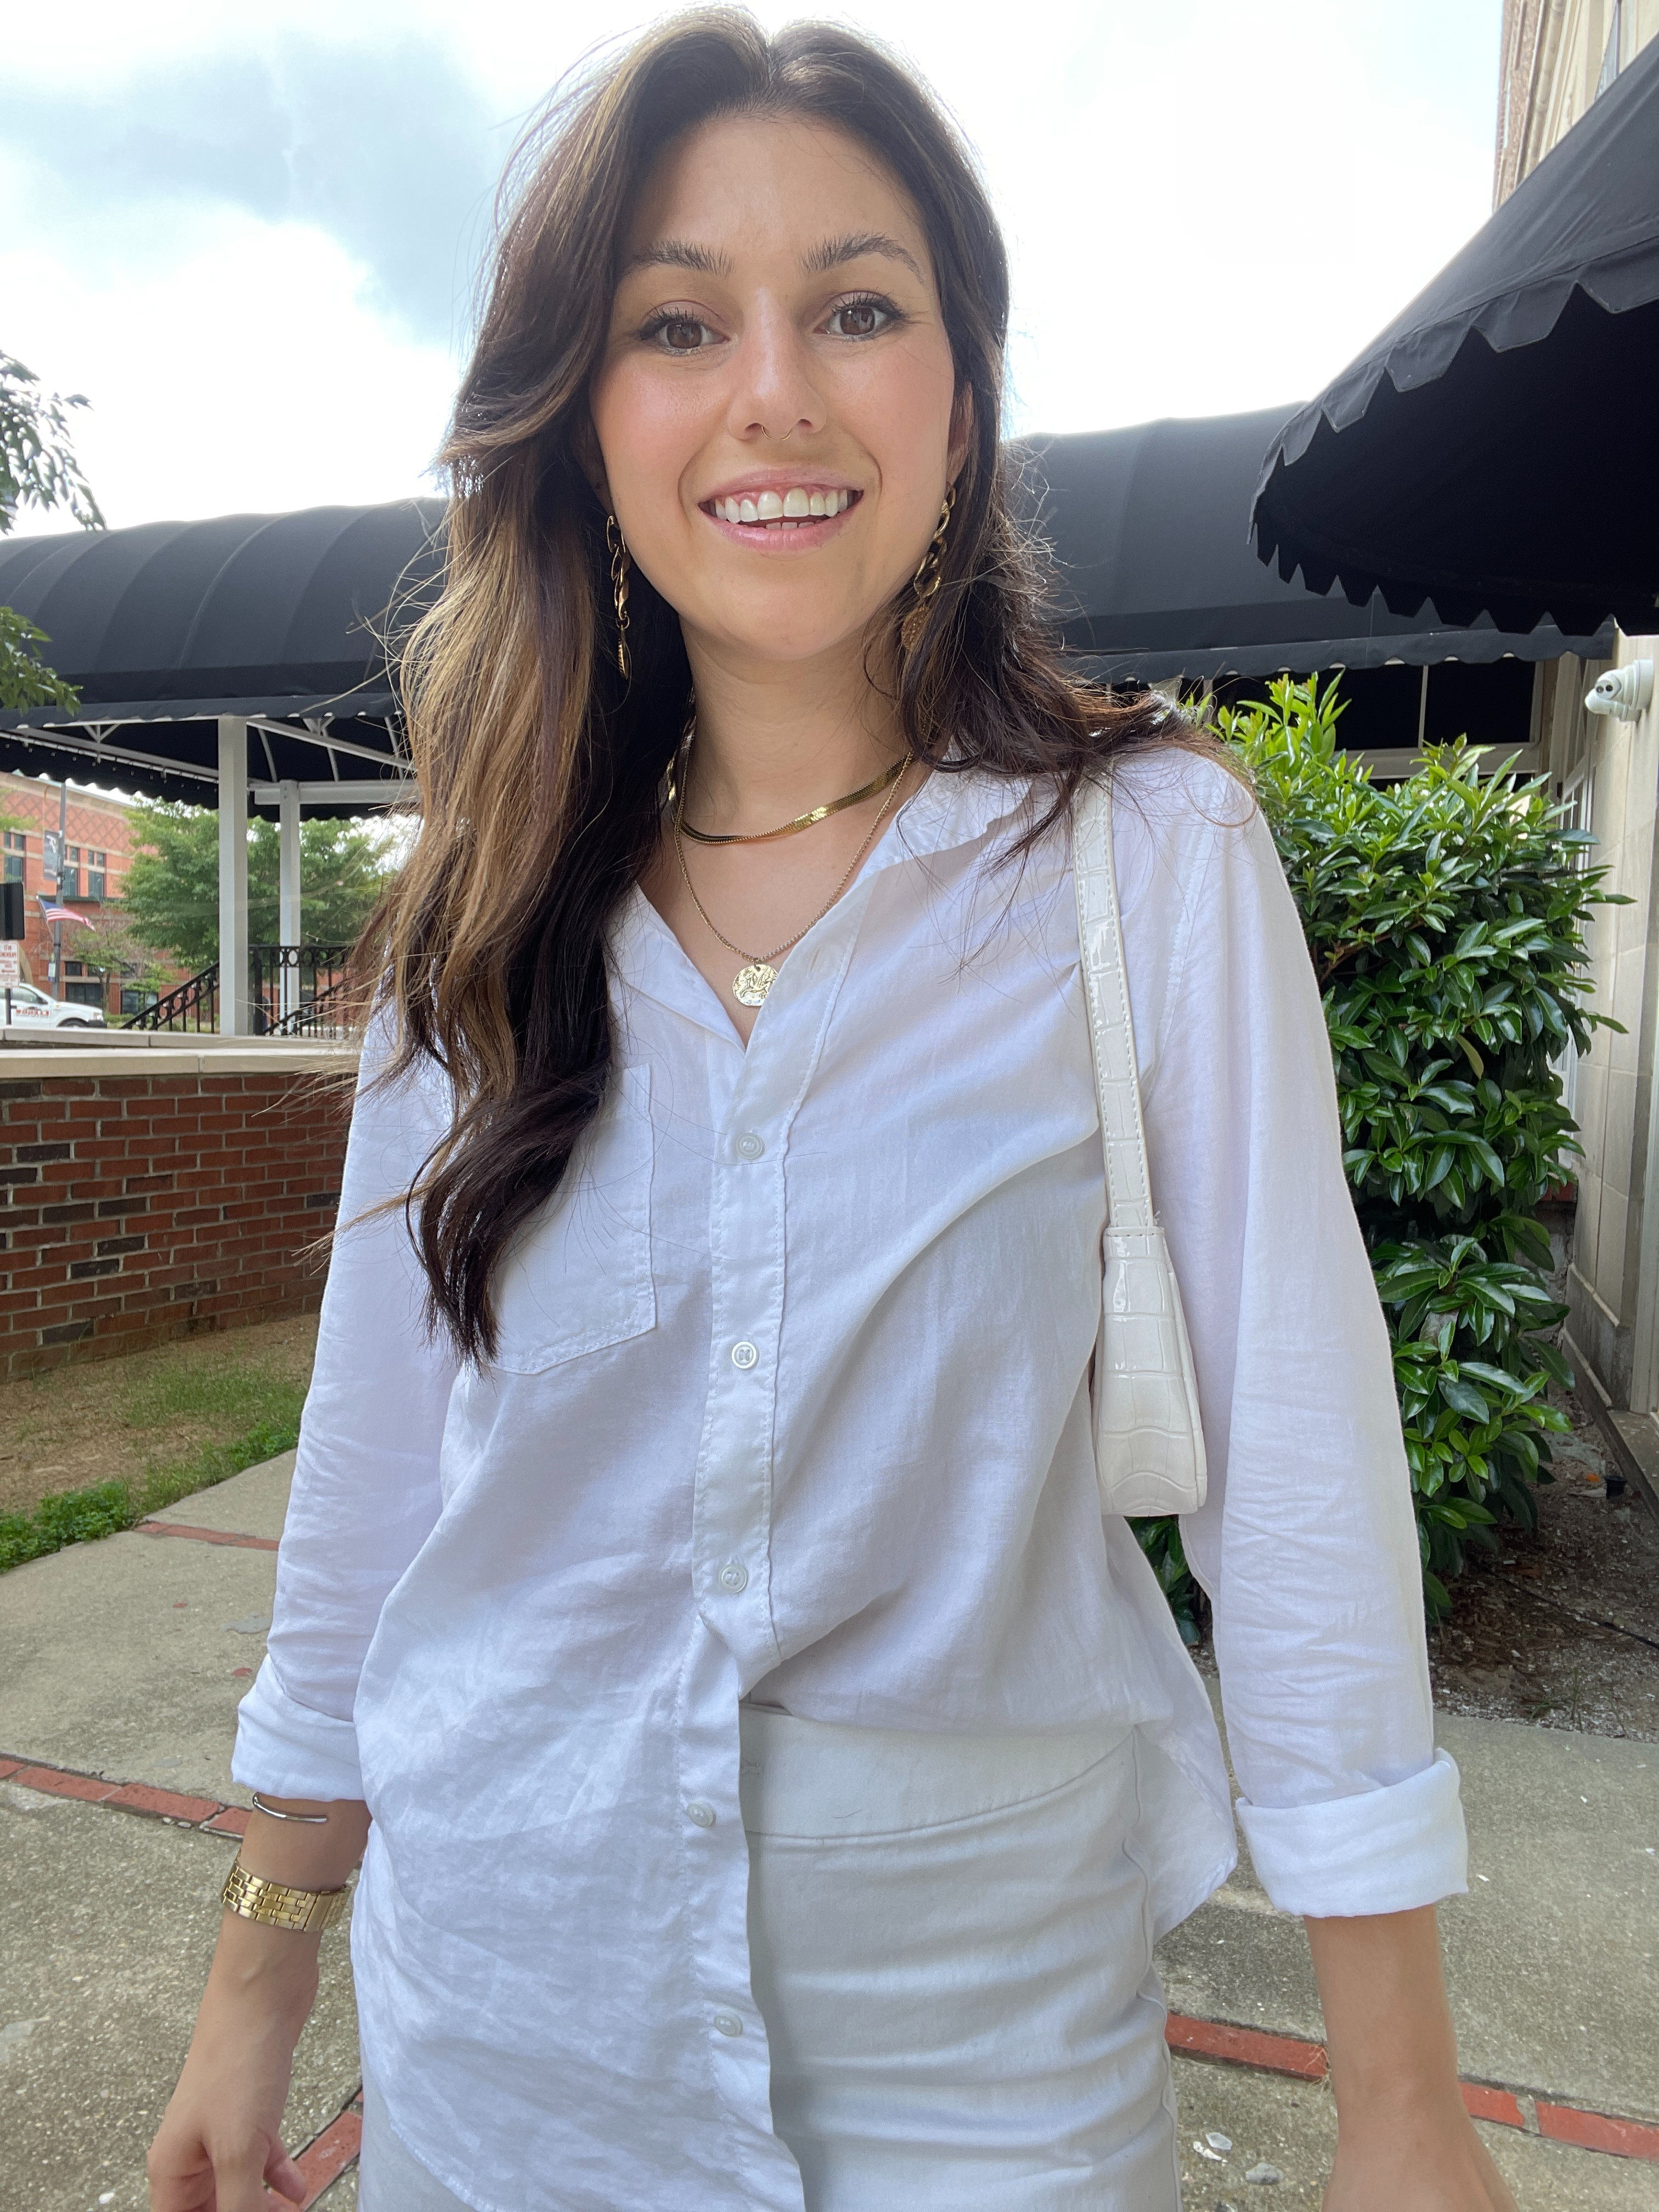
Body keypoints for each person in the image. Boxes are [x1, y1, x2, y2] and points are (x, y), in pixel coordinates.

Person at [148, 14, 1517, 2210]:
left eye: (859, 310)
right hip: (502, 2028)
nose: (773, 392)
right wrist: (258, 1980)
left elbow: (1299, 1473)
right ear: (585, 420)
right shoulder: (481, 916)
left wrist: (1404, 2109)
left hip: (988, 2051)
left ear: (960, 396)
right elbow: (378, 1480)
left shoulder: (1145, 856)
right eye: (678, 324)